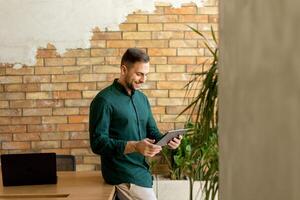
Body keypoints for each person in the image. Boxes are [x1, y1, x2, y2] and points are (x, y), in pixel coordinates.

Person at [89, 48, 182, 200]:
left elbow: (153, 132)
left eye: (146, 75)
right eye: (139, 74)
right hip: (121, 175)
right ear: (123, 69)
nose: (143, 80)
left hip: (143, 173)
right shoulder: (104, 101)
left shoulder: (142, 99)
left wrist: (169, 140)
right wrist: (135, 146)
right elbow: (98, 143)